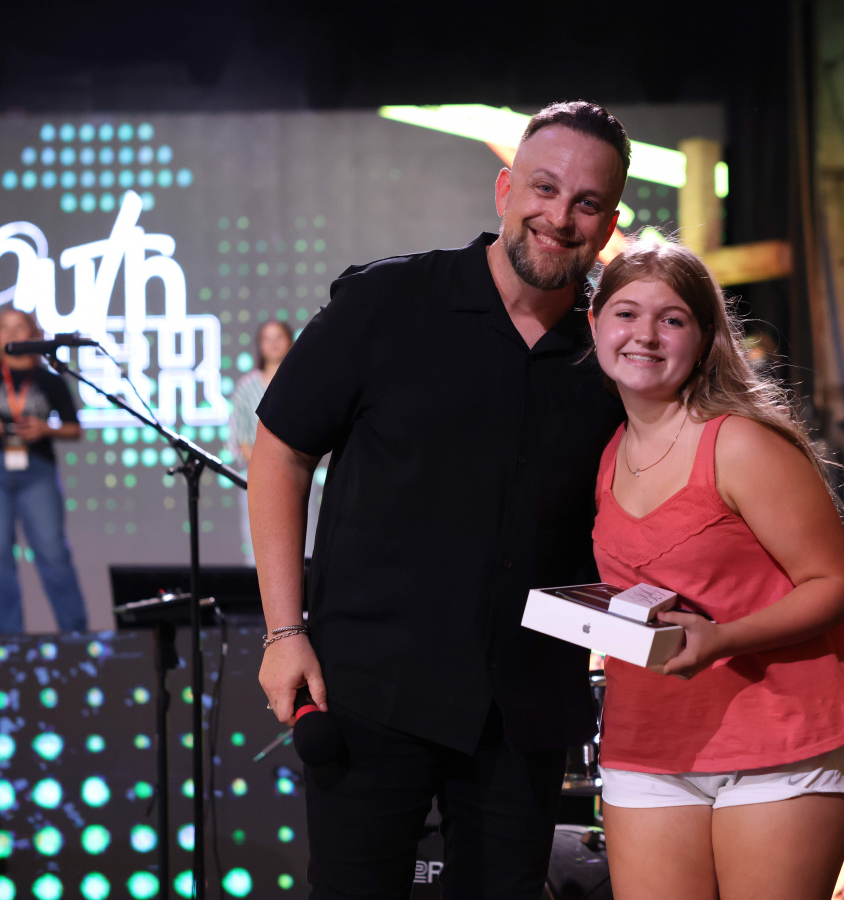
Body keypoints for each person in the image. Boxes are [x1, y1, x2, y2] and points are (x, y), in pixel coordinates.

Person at [250, 100, 630, 899]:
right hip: (369, 691)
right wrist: (284, 632)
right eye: (544, 188)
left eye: (586, 202)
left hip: (527, 704)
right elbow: (281, 452)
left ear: (608, 223)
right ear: (504, 190)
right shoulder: (387, 302)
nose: (559, 217)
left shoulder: (614, 349)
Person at [586, 240, 844, 900]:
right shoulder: (609, 453)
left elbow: (838, 586)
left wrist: (721, 639)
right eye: (626, 313)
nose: (644, 335)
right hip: (648, 743)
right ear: (596, 324)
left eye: (671, 319)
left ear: (704, 337)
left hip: (779, 738)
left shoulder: (739, 441)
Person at [0, 308, 89, 634]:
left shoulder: (50, 380)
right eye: (4, 328)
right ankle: (8, 640)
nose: (11, 333)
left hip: (36, 471)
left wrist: (45, 428)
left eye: (19, 327)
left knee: (53, 553)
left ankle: (77, 636)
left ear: (33, 334)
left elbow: (74, 428)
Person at [227, 320, 318, 566]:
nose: (274, 343)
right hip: (258, 479)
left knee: (305, 547)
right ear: (260, 345)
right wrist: (269, 469)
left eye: (279, 337)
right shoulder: (246, 387)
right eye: (267, 338)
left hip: (298, 475)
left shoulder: (302, 383)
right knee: (260, 552)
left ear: (290, 341)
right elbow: (240, 437)